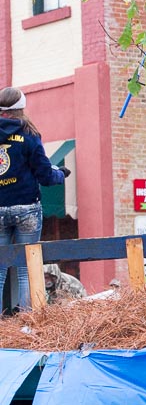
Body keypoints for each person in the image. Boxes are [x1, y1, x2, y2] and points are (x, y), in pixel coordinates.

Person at [0, 87, 71, 313]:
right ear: (21, 108)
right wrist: (60, 173)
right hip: (27, 208)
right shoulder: (29, 134)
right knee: (26, 267)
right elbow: (45, 176)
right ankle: (27, 325)